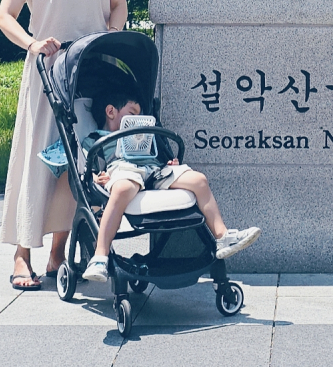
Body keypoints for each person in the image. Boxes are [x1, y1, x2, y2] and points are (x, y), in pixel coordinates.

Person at [0, 0, 128, 291]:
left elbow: (119, 5)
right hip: (47, 74)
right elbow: (4, 17)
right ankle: (21, 255)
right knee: (37, 162)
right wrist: (33, 44)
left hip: (91, 72)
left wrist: (111, 36)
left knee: (81, 162)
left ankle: (59, 253)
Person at [79, 76, 260, 279]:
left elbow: (157, 157)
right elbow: (87, 167)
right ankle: (100, 256)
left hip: (155, 170)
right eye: (132, 115)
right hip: (123, 170)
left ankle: (222, 236)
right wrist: (95, 177)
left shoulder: (143, 136)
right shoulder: (95, 139)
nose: (138, 120)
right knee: (122, 189)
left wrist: (170, 164)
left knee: (198, 180)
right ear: (111, 111)